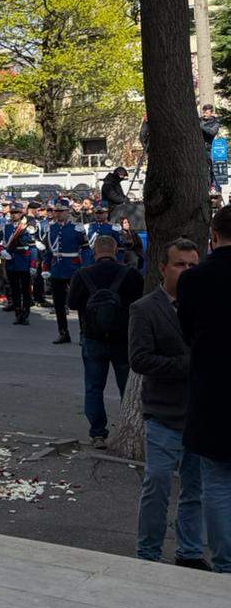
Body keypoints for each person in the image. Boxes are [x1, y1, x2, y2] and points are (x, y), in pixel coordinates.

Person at [129, 237, 207, 568]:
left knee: (195, 491)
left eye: (193, 265)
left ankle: (189, 552)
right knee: (158, 484)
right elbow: (140, 359)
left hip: (200, 415)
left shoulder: (208, 304)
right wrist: (190, 364)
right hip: (162, 415)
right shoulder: (145, 308)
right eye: (180, 264)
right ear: (163, 268)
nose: (187, 271)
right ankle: (148, 553)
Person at [178, 205, 231, 574]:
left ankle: (226, 561)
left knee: (216, 482)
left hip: (213, 390)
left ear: (212, 236)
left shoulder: (193, 280)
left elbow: (187, 333)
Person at [67, 233, 143, 448]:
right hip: (122, 338)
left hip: (92, 338)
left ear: (94, 252)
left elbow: (72, 304)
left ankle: (98, 433)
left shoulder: (83, 274)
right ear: (117, 250)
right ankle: (128, 430)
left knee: (93, 387)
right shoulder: (130, 274)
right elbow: (140, 303)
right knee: (125, 387)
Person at [46, 201, 86, 344]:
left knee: (81, 302)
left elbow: (85, 248)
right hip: (57, 269)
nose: (58, 213)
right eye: (56, 211)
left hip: (73, 268)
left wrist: (85, 267)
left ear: (67, 212)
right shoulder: (51, 229)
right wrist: (46, 268)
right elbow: (48, 251)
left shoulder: (77, 228)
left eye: (61, 211)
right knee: (58, 303)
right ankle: (63, 333)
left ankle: (83, 334)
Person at [0, 201, 37, 326]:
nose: (14, 215)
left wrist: (33, 264)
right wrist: (1, 251)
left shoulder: (27, 227)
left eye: (17, 212)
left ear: (22, 213)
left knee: (25, 290)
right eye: (12, 212)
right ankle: (18, 314)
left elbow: (33, 247)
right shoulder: (6, 227)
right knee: (14, 290)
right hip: (11, 262)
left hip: (24, 262)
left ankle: (25, 314)